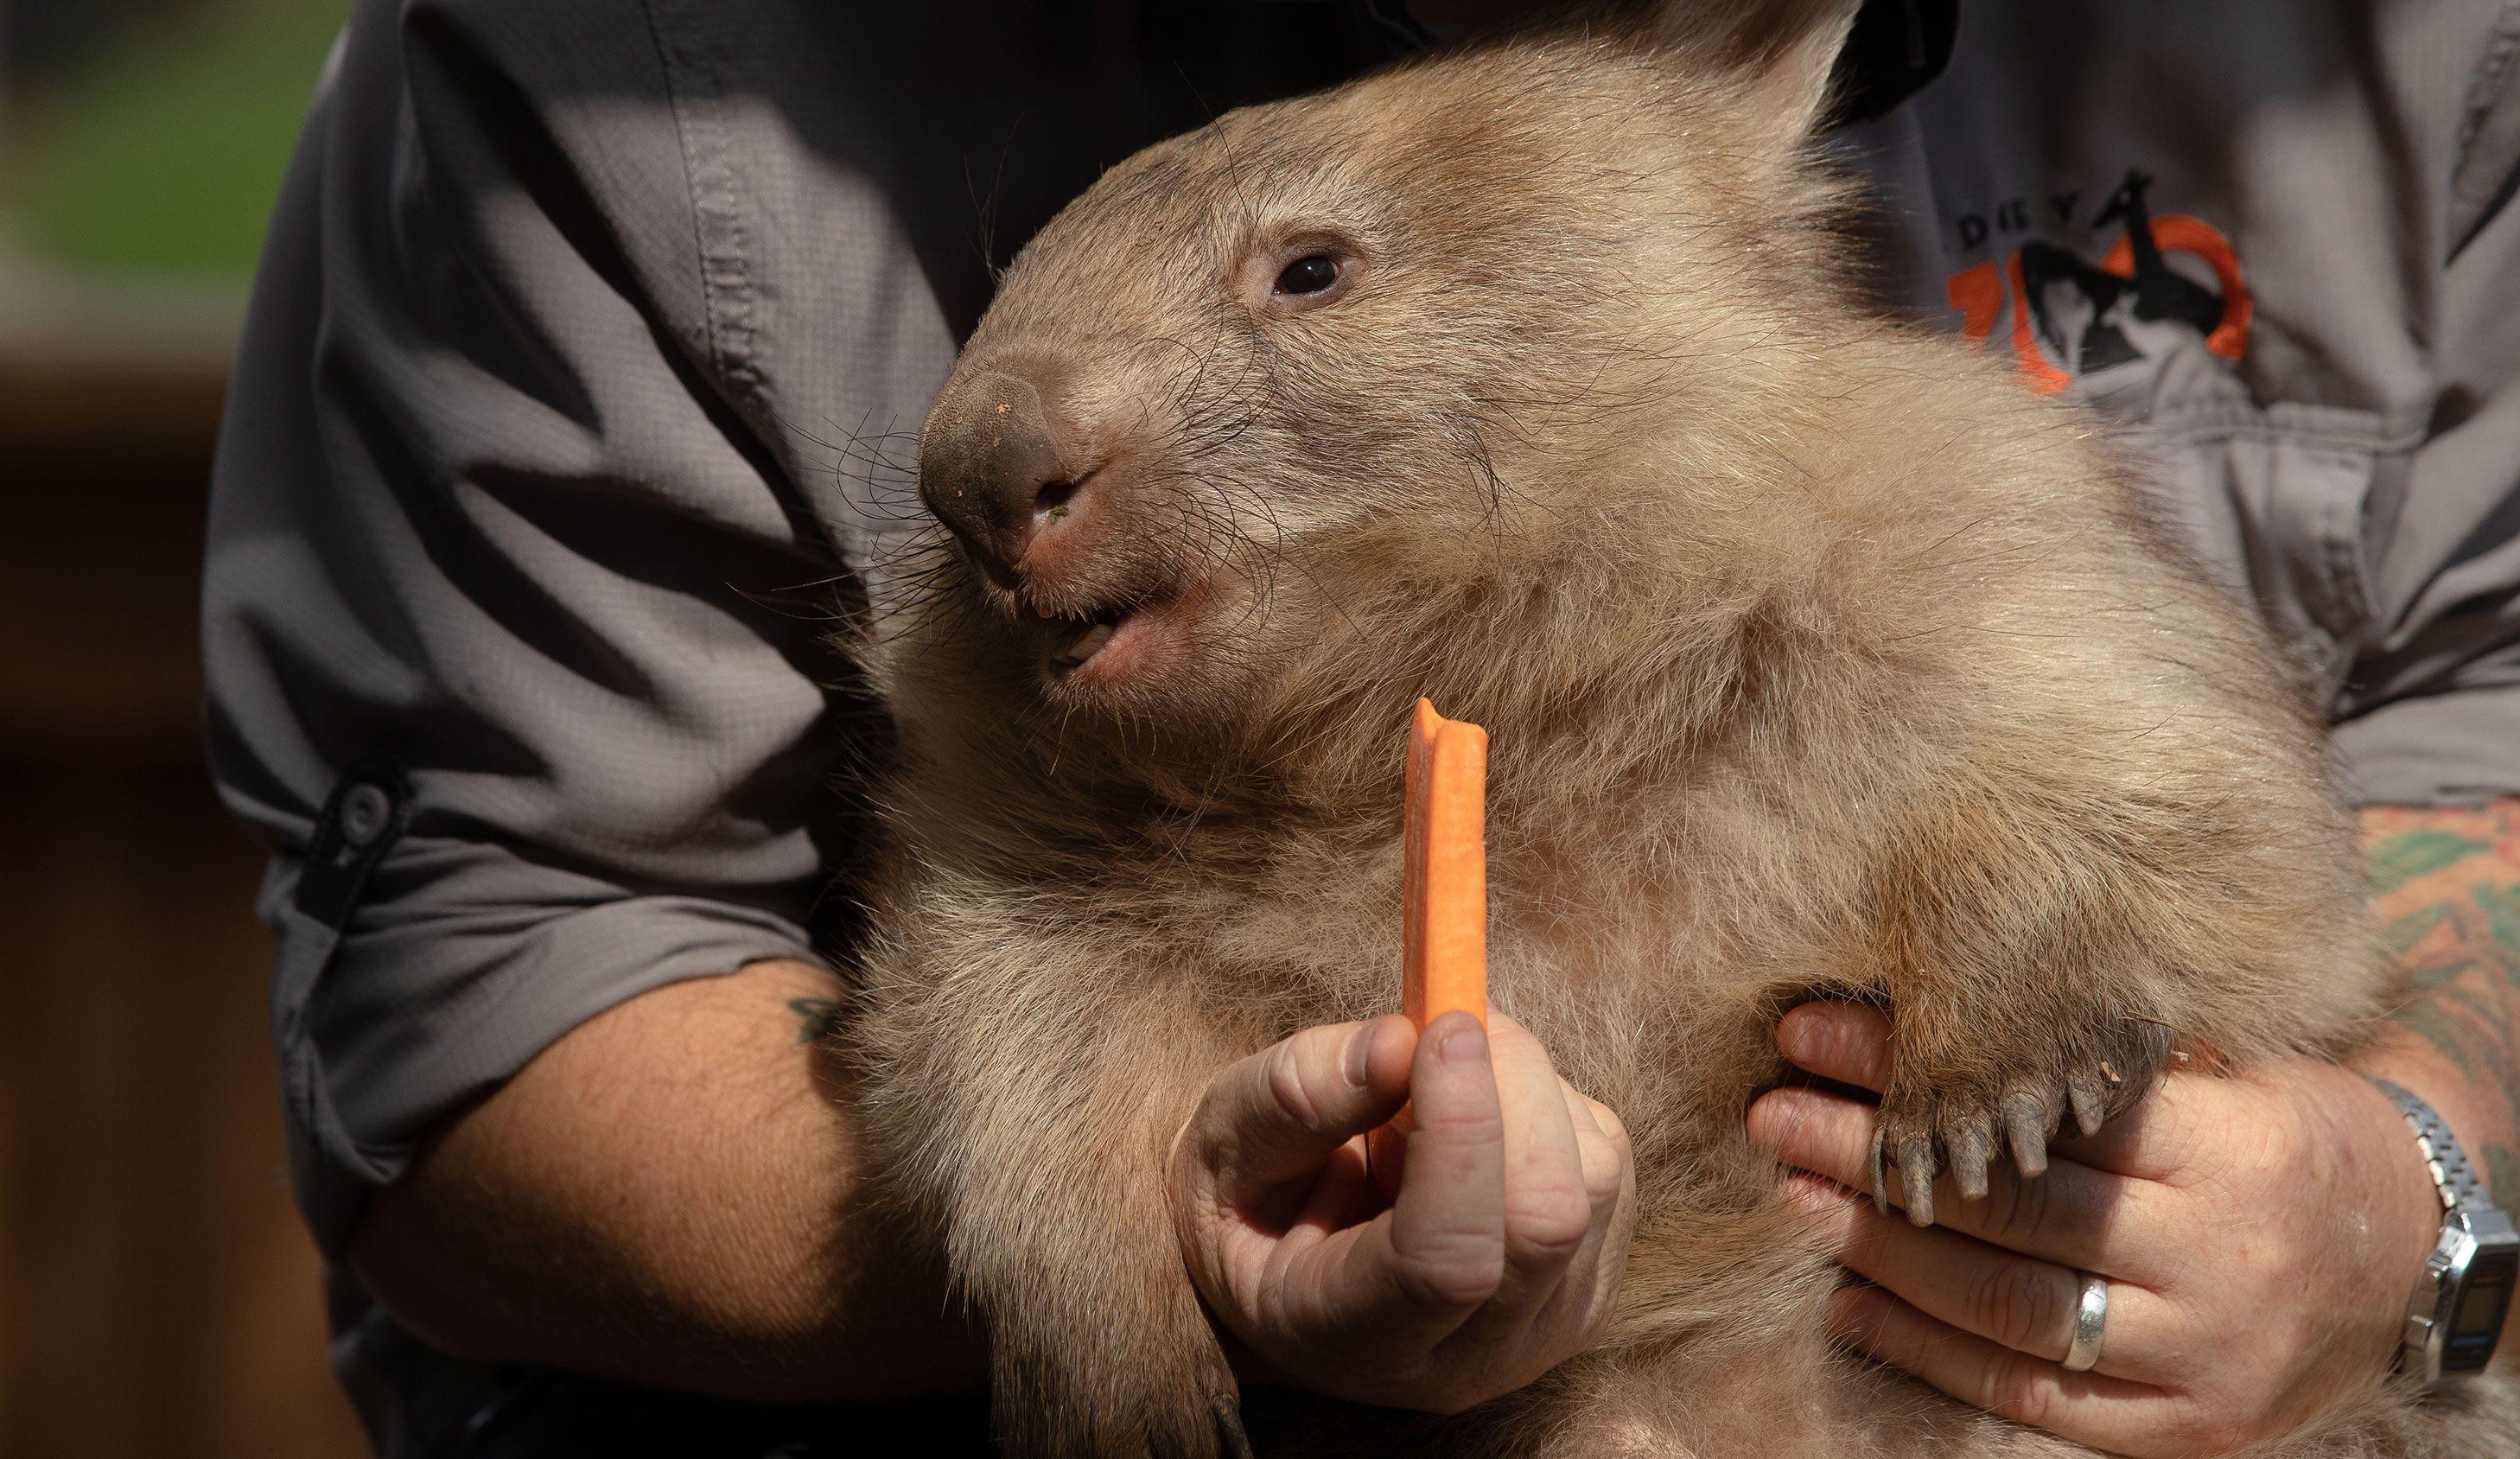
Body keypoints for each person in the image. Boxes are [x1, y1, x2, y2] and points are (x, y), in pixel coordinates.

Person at [200, 2, 2520, 1455]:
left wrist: (2406, 1187)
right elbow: (491, 1007)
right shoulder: (636, 83)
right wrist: (1172, 1256)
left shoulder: (2381, 70)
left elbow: (2374, 743)